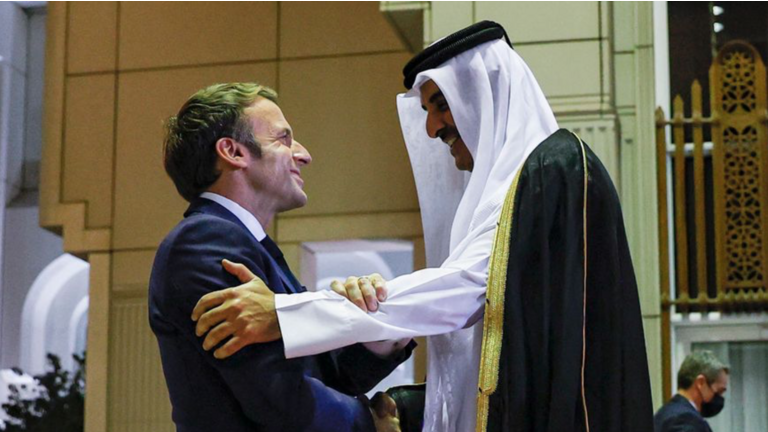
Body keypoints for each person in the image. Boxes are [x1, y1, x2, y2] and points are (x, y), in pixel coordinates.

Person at [192, 21, 654, 432]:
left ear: (485, 96)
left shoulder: (552, 170)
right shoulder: (512, 188)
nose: (432, 128)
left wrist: (286, 315)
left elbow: (467, 291)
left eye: (441, 105)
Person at [149, 82, 414, 432]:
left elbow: (320, 375)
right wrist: (368, 422)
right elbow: (274, 395)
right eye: (284, 139)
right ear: (233, 151)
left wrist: (377, 335)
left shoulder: (243, 243)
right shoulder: (203, 241)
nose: (304, 155)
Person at [654, 351, 730, 432]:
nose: (719, 397)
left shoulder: (666, 413)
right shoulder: (685, 419)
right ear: (701, 382)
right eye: (719, 391)